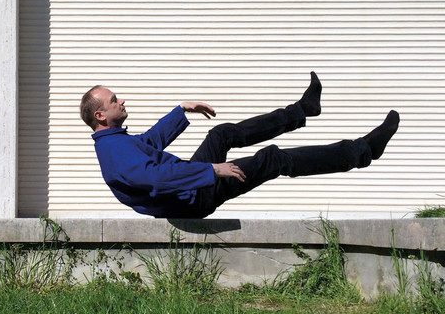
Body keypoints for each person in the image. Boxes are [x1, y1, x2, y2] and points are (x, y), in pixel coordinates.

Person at [80, 73, 400, 219]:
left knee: (220, 134)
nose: (121, 100)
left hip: (190, 188)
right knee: (272, 160)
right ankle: (363, 151)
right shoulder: (114, 153)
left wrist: (181, 111)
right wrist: (212, 170)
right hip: (193, 198)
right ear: (100, 114)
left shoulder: (116, 143)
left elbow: (148, 145)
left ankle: (302, 110)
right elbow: (154, 178)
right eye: (113, 100)